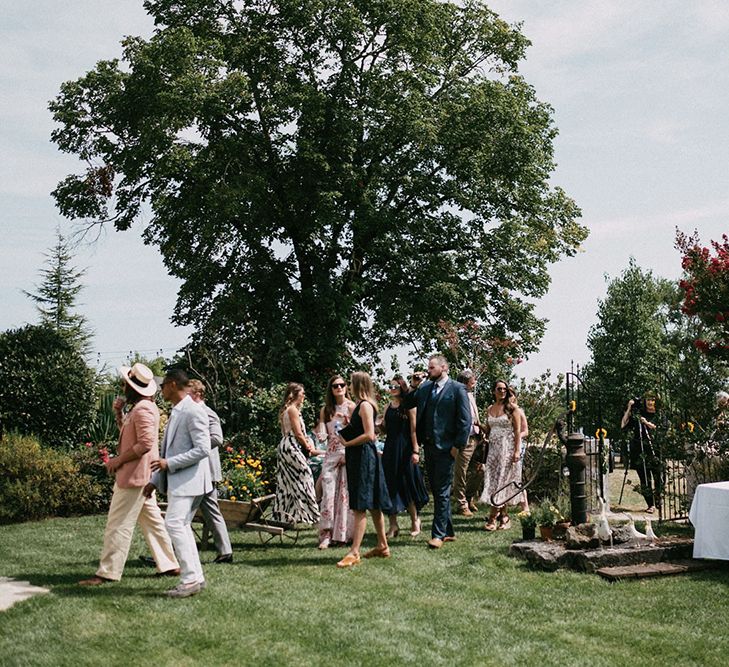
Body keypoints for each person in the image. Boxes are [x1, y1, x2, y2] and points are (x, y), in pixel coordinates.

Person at [79, 363, 179, 586]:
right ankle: (170, 564)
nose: (123, 385)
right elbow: (130, 434)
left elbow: (144, 444)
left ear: (133, 387)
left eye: (125, 383)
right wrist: (118, 412)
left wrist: (117, 461)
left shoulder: (143, 409)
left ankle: (107, 572)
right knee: (152, 522)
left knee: (118, 524)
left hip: (135, 476)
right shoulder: (144, 407)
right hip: (142, 475)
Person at [145, 368, 213, 598]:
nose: (160, 389)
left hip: (189, 481)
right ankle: (197, 577)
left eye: (162, 385)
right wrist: (155, 482)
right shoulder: (178, 410)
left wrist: (169, 464)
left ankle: (189, 580)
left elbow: (203, 449)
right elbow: (167, 450)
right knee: (180, 526)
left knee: (174, 524)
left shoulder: (193, 411)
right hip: (182, 481)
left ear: (173, 384)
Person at [414, 355, 472, 549]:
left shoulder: (457, 389)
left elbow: (465, 421)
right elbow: (408, 403)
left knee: (441, 491)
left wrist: (457, 446)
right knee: (439, 490)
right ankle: (448, 531)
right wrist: (413, 385)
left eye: (431, 368)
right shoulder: (425, 389)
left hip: (448, 448)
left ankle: (437, 535)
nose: (428, 371)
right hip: (429, 447)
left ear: (444, 367)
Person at [336, 371, 392, 568]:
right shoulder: (361, 405)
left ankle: (354, 552)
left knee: (360, 506)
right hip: (360, 457)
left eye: (350, 383)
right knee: (374, 504)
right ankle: (382, 546)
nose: (348, 386)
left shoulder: (366, 406)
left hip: (363, 458)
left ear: (358, 385)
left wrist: (349, 442)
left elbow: (370, 435)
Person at [187, 379, 233, 564]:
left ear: (198, 394)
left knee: (182, 514)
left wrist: (193, 448)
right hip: (199, 471)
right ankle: (226, 552)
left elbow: (217, 438)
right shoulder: (192, 412)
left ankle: (166, 556)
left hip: (205, 470)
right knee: (210, 512)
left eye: (189, 393)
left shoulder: (207, 413)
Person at [381, 375, 429, 539]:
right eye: (391, 386)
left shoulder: (409, 406)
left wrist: (415, 451)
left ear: (402, 387)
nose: (393, 389)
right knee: (390, 485)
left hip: (406, 447)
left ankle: (415, 520)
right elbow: (385, 429)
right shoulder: (387, 407)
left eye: (396, 386)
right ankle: (393, 525)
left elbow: (413, 430)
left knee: (408, 483)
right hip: (390, 448)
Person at [271, 383, 320, 525]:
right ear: (295, 394)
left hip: (288, 446)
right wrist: (307, 446)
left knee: (287, 481)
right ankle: (313, 515)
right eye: (302, 393)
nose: (304, 396)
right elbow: (298, 433)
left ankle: (285, 515)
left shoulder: (290, 409)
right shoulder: (292, 410)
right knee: (305, 476)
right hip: (291, 446)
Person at [315, 375, 356, 549]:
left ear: (346, 387)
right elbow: (322, 433)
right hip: (330, 454)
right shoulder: (326, 409)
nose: (339, 388)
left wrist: (349, 453)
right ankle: (326, 534)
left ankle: (342, 534)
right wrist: (319, 433)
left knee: (344, 495)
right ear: (330, 389)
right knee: (328, 494)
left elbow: (356, 432)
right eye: (335, 386)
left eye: (342, 385)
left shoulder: (352, 407)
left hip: (347, 452)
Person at [481, 380, 523, 531]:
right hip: (493, 450)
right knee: (493, 480)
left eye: (504, 389)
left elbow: (518, 431)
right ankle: (504, 516)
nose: (502, 391)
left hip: (507, 448)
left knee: (502, 481)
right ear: (493, 391)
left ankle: (493, 517)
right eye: (499, 389)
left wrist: (517, 451)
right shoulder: (490, 408)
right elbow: (489, 429)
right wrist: (479, 426)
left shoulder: (513, 409)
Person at [620, 394, 661, 514]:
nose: (650, 402)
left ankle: (658, 498)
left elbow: (661, 428)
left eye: (653, 400)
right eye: (648, 399)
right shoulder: (638, 415)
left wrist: (647, 423)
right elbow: (623, 425)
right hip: (640, 450)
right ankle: (650, 504)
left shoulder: (659, 415)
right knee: (645, 479)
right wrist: (629, 408)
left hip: (655, 449)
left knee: (658, 477)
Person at [452, 369, 481, 517]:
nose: (475, 383)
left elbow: (474, 417)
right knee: (460, 472)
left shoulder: (470, 396)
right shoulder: (455, 396)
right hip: (463, 439)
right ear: (465, 382)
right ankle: (461, 503)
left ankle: (469, 498)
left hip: (476, 438)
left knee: (481, 470)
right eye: (473, 381)